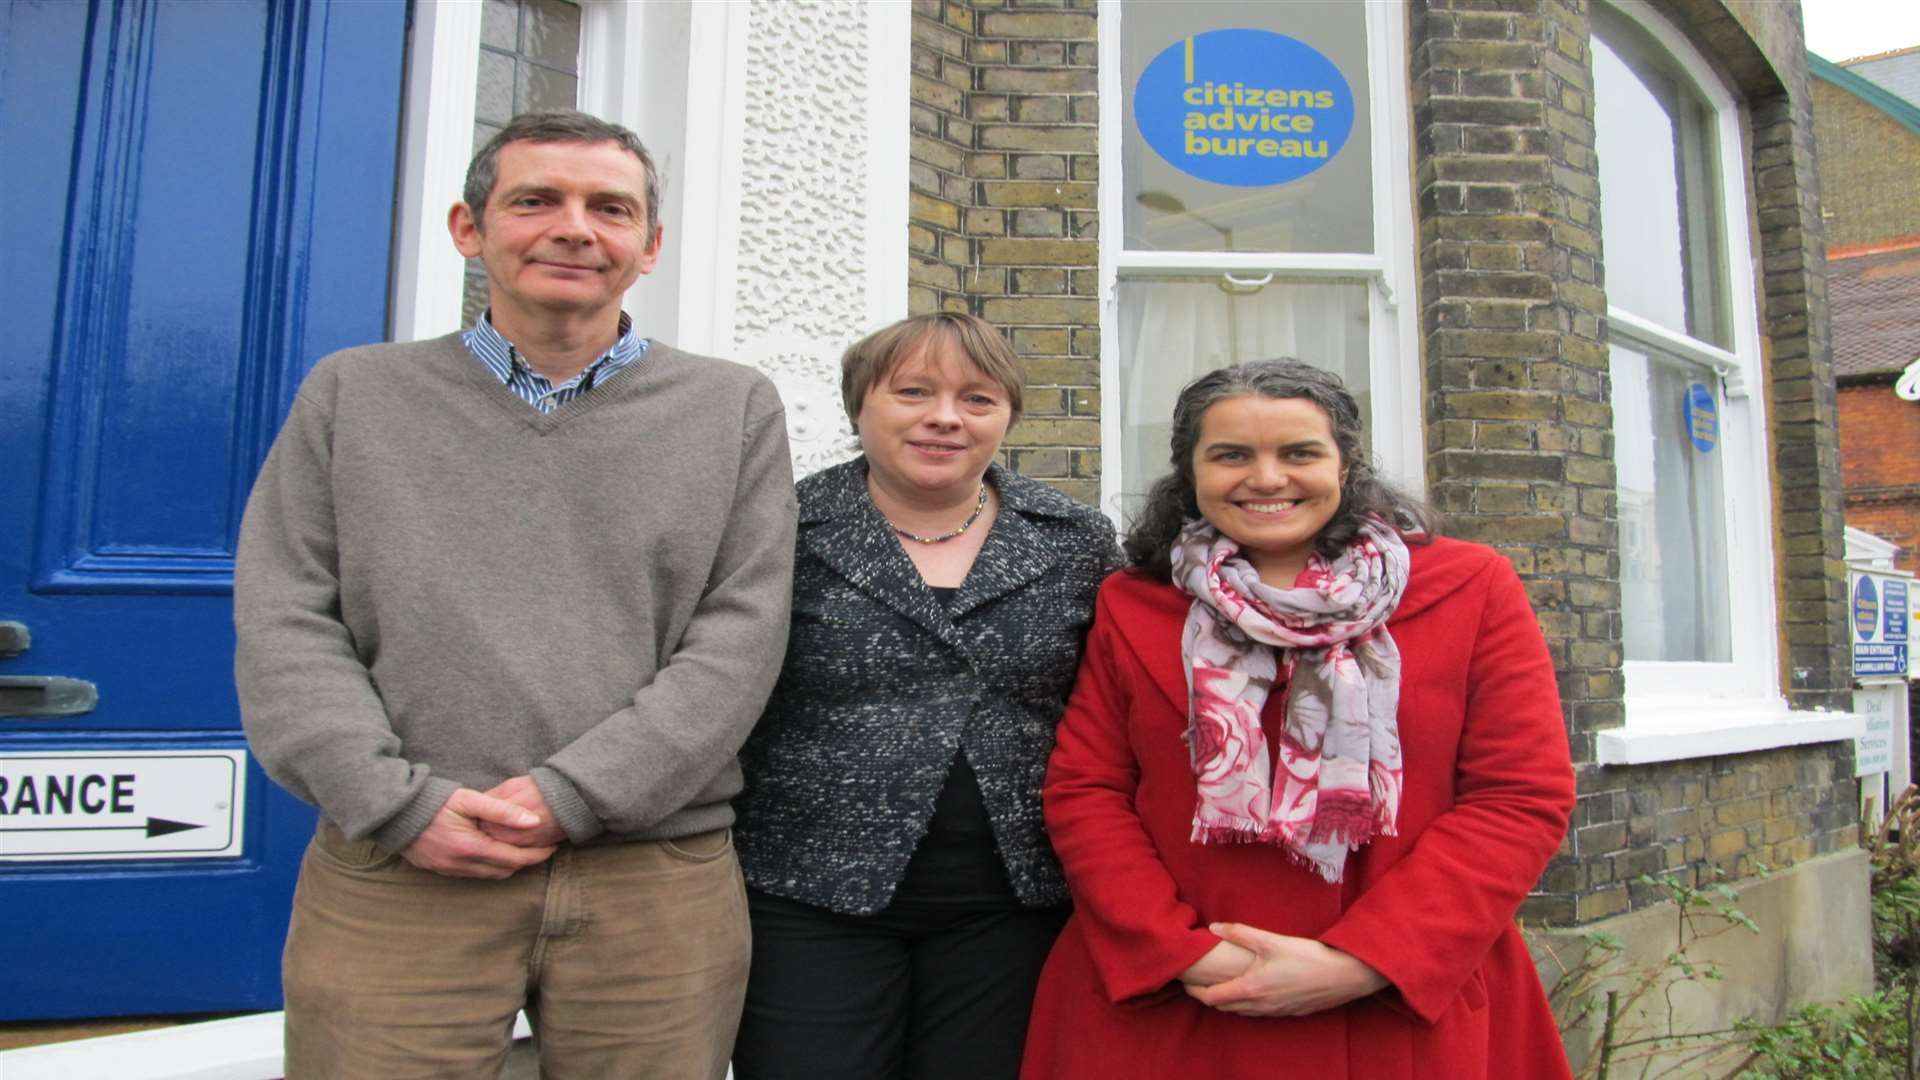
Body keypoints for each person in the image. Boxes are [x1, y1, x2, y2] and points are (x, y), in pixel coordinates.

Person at [234, 110, 797, 1079]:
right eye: (536, 200)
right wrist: (395, 803)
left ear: (648, 246)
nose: (574, 228)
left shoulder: (731, 408)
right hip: (401, 865)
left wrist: (571, 796)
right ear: (469, 227)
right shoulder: (353, 396)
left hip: (651, 879)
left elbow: (740, 635)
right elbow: (287, 617)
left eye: (609, 208)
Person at [1022, 360, 1576, 1078]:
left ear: (1346, 464)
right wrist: (1185, 952)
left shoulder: (1472, 587)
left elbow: (1519, 796)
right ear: (1190, 473)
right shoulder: (1134, 603)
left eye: (1299, 453)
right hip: (1179, 1003)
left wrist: (1366, 960)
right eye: (1231, 455)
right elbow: (1087, 791)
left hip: (1398, 1006)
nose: (1266, 477)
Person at [730, 313, 1122, 1080]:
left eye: (978, 399)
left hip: (1013, 906)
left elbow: (1110, 705)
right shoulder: (779, 526)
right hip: (808, 897)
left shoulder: (1074, 538)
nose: (945, 418)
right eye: (913, 392)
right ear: (859, 406)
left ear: (1007, 416)